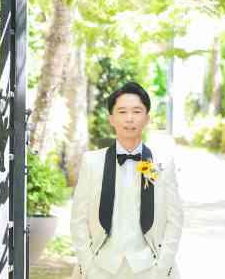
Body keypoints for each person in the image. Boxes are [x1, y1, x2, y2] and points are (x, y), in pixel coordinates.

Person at [70, 82, 183, 279]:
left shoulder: (162, 163)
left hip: (149, 268)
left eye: (137, 111)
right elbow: (78, 219)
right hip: (102, 268)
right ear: (112, 119)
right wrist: (88, 266)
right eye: (122, 112)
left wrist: (162, 267)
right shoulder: (92, 162)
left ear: (147, 118)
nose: (129, 118)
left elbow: (175, 219)